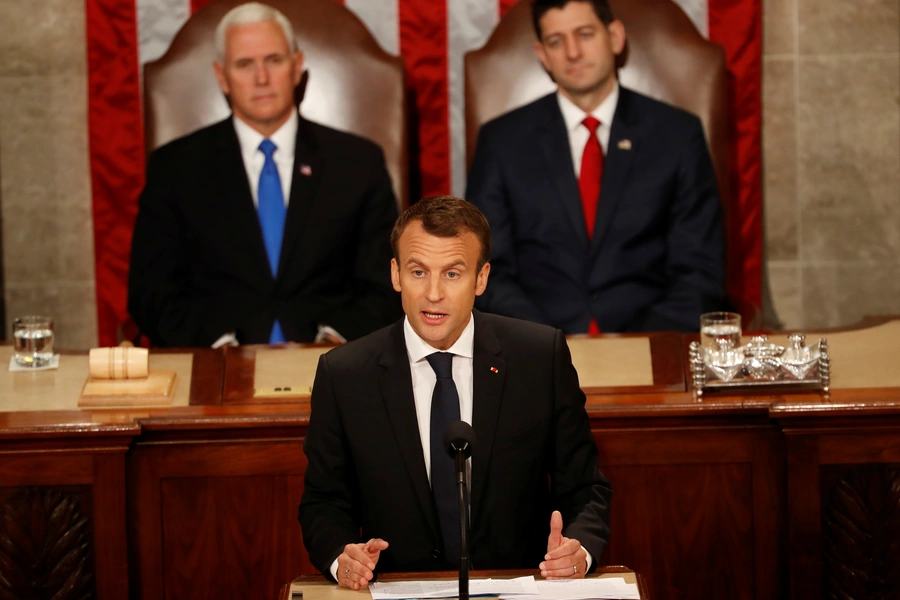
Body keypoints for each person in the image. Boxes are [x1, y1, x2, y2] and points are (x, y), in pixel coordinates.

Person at [299, 195, 611, 588]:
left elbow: (585, 487)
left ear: (481, 278)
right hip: (396, 590)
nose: (433, 293)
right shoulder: (344, 374)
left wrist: (578, 549)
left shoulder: (538, 357)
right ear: (395, 274)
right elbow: (323, 503)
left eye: (452, 273)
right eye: (417, 272)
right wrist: (342, 556)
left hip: (518, 586)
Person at [128, 2, 400, 347]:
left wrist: (335, 339)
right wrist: (216, 344)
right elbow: (151, 289)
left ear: (297, 67)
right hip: (215, 369)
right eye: (244, 64)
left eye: (273, 60)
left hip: (333, 365)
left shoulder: (358, 162)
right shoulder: (176, 167)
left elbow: (385, 281)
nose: (261, 78)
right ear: (221, 77)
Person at [466, 0, 726, 334]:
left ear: (615, 37)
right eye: (556, 42)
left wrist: (642, 345)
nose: (572, 52)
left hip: (652, 344)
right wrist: (545, 345)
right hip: (536, 349)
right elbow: (488, 269)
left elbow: (699, 270)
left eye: (585, 34)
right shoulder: (502, 141)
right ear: (542, 55)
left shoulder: (677, 135)